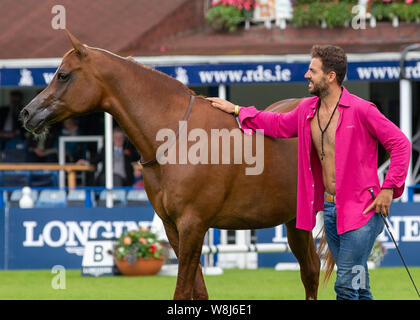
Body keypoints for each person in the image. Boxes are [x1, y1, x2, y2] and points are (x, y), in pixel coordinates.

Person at [207, 45, 411, 300]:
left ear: (331, 77)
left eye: (312, 71)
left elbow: (400, 143)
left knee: (346, 287)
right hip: (331, 212)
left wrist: (389, 188)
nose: (306, 75)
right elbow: (277, 124)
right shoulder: (307, 110)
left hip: (362, 212)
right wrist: (238, 111)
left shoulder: (362, 110)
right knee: (359, 285)